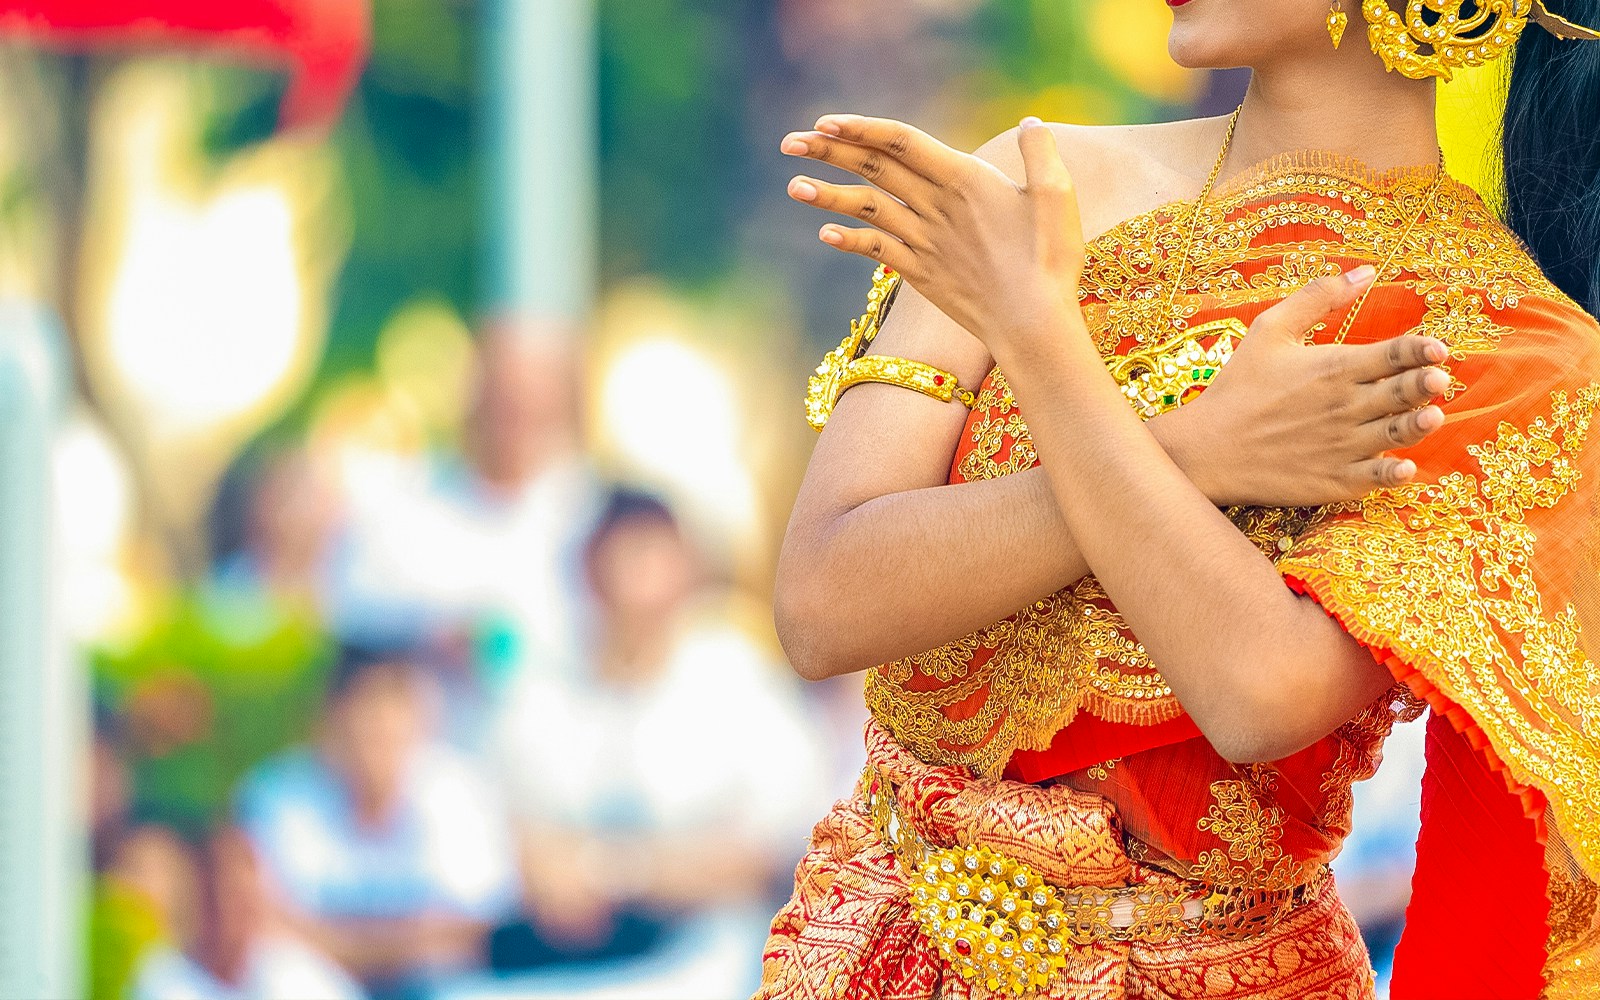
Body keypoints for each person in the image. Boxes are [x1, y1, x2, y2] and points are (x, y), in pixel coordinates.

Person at [761, 2, 1600, 997]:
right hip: (878, 945)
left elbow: (1258, 692)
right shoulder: (1031, 187)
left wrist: (1038, 336)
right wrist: (1193, 452)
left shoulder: (1511, 352)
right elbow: (821, 603)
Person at [491, 489, 830, 992]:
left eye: (653, 555)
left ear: (687, 568)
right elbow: (510, 837)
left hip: (709, 948)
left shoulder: (735, 674)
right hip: (565, 957)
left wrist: (614, 871)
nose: (637, 580)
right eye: (622, 557)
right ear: (587, 571)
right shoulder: (541, 686)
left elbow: (776, 849)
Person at [234, 644, 518, 998]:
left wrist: (340, 942)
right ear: (330, 718)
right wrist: (406, 942)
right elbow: (262, 929)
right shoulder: (277, 799)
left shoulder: (461, 792)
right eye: (366, 711)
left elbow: (478, 932)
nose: (380, 729)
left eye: (394, 710)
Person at [129, 826, 366, 1000]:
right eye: (218, 896)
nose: (227, 911)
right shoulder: (162, 976)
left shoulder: (303, 978)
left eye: (241, 900)